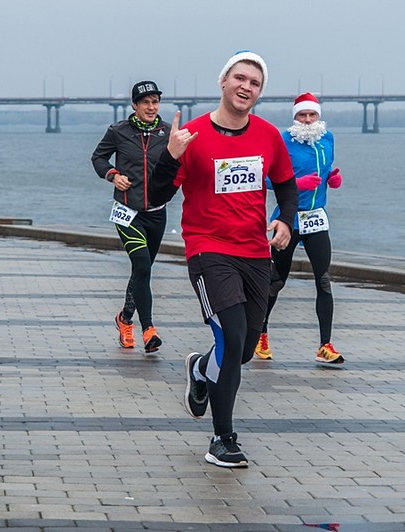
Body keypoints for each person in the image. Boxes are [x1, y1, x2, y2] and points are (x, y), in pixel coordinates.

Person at [147, 50, 298, 468]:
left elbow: (286, 186)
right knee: (231, 340)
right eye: (240, 78)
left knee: (245, 349)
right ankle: (223, 438)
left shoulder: (268, 136)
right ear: (223, 82)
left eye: (255, 82)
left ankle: (199, 369)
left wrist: (286, 220)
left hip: (255, 253)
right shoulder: (190, 137)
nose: (246, 87)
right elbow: (157, 197)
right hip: (208, 250)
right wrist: (170, 157)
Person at [254, 92, 345, 364]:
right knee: (277, 280)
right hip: (288, 219)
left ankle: (325, 346)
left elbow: (325, 171)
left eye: (311, 115)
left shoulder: (327, 139)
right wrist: (297, 183)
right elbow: (266, 180)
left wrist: (333, 178)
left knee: (324, 280)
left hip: (317, 218)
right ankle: (261, 333)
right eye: (302, 116)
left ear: (319, 116)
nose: (307, 120)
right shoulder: (283, 141)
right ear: (294, 117)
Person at [91, 80, 170, 355]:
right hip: (127, 212)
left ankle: (124, 318)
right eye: (145, 102)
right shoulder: (118, 132)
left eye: (155, 101)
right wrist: (113, 175)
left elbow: (181, 166)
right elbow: (98, 158)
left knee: (141, 271)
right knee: (142, 265)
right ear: (135, 106)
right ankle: (148, 329)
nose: (151, 106)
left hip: (157, 214)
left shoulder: (168, 133)